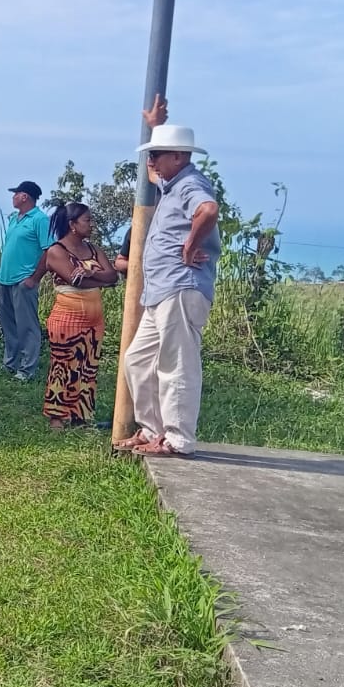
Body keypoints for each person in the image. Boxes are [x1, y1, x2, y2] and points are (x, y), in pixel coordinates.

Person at [119, 102, 220, 457]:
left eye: (157, 154)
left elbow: (208, 210)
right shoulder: (171, 184)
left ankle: (177, 439)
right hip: (162, 290)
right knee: (138, 360)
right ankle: (153, 430)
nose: (151, 161)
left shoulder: (191, 183)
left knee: (176, 363)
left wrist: (190, 246)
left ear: (177, 156)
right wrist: (155, 128)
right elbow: (151, 173)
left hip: (180, 286)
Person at [41, 202, 118, 430]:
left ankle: (80, 416)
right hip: (67, 318)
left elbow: (113, 276)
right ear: (72, 224)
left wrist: (90, 273)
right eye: (87, 220)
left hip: (94, 320)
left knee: (87, 367)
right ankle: (57, 417)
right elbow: (75, 280)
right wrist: (100, 278)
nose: (92, 224)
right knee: (63, 366)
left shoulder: (94, 249)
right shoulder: (56, 251)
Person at [0, 179, 51, 382]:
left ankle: (27, 369)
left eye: (16, 194)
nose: (13, 197)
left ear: (24, 196)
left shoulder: (40, 219)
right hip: (4, 279)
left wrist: (34, 278)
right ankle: (10, 363)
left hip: (23, 280)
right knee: (9, 324)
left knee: (27, 326)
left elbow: (49, 251)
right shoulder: (14, 218)